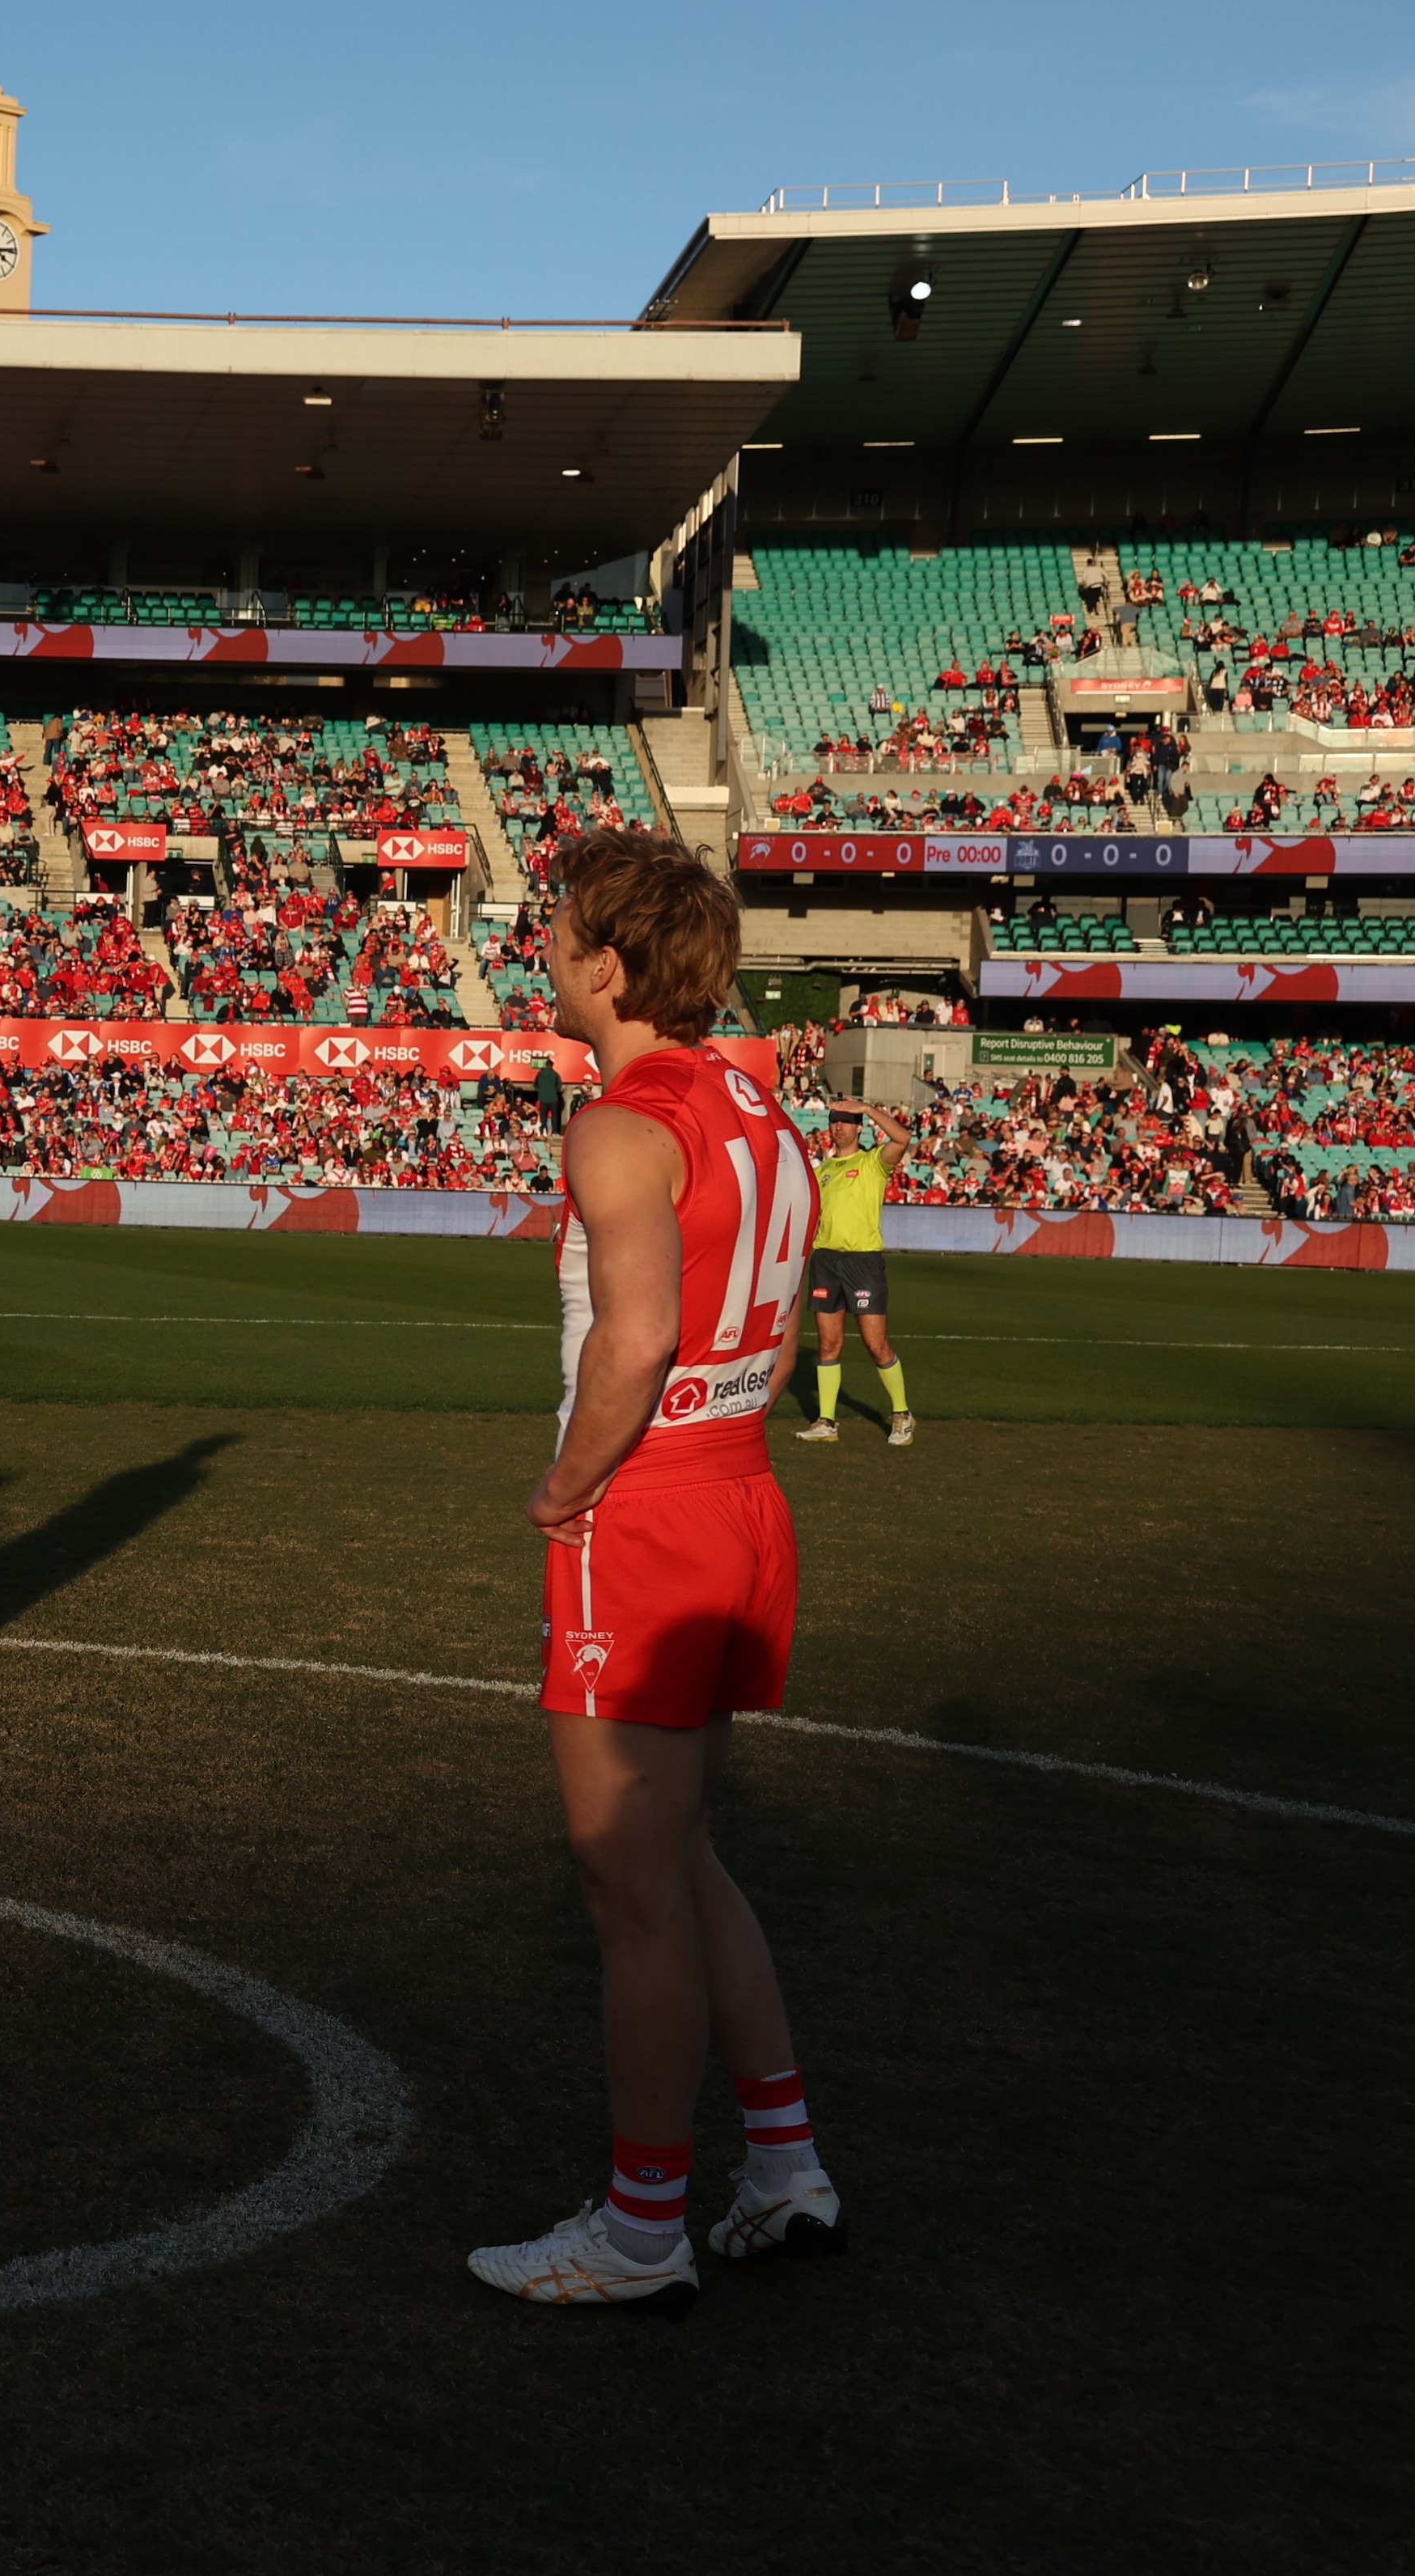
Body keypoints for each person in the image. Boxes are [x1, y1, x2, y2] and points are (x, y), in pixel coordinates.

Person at [472, 828, 845, 2315]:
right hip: (745, 1489)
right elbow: (777, 1315)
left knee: (628, 1879)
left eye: (562, 934)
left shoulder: (619, 1124)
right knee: (684, 1857)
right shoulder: (760, 1104)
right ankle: (785, 2164)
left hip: (650, 1505)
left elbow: (634, 1341)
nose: (546, 954)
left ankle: (638, 2231)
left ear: (612, 967)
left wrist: (564, 1490)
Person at [796, 1098, 917, 1447]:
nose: (839, 1127)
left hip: (862, 1262)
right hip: (826, 1261)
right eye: (835, 1121)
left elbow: (903, 1138)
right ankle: (827, 1422)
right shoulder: (821, 1171)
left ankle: (902, 1414)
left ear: (859, 1128)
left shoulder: (872, 1162)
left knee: (876, 1344)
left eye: (847, 1122)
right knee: (828, 1344)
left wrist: (866, 1108)